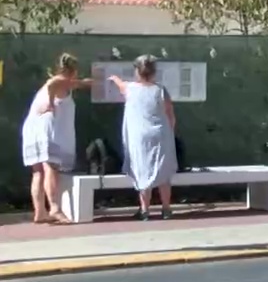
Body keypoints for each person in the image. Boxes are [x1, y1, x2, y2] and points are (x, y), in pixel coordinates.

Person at [21, 53, 94, 224]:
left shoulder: (66, 83)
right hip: (47, 130)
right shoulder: (59, 81)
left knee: (38, 171)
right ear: (73, 70)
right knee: (50, 168)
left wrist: (91, 82)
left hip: (34, 129)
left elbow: (80, 83)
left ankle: (40, 212)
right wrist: (51, 102)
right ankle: (54, 208)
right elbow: (52, 83)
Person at [108, 55, 178, 220]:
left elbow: (119, 84)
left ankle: (145, 210)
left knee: (142, 171)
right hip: (161, 134)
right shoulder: (160, 90)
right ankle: (166, 209)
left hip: (140, 137)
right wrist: (170, 131)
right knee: (163, 173)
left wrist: (114, 78)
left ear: (137, 71)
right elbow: (170, 114)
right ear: (154, 71)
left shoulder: (130, 88)